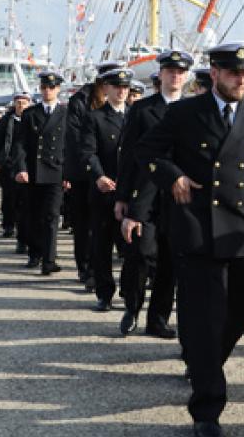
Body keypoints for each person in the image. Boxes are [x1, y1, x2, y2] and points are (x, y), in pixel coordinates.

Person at [133, 41, 244, 437]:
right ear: (215, 73)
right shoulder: (185, 112)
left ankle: (204, 361)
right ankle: (207, 406)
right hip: (198, 227)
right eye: (233, 73)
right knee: (204, 317)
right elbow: (146, 151)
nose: (241, 79)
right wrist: (172, 176)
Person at [118, 49, 193, 339]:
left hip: (178, 196)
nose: (175, 76)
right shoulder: (142, 109)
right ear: (160, 75)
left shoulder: (192, 109)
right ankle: (132, 307)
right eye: (170, 71)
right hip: (145, 193)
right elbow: (128, 156)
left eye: (180, 72)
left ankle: (158, 318)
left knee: (170, 261)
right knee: (141, 253)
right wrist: (122, 197)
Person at [79, 68, 132, 312]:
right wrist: (99, 175)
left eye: (125, 87)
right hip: (104, 191)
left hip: (130, 191)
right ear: (107, 89)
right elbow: (88, 152)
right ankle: (104, 293)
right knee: (102, 246)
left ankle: (129, 292)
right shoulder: (94, 117)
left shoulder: (135, 116)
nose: (121, 91)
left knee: (132, 248)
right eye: (116, 87)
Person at [10, 71, 69, 275]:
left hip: (56, 172)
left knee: (52, 216)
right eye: (44, 87)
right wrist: (21, 168)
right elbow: (20, 144)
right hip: (33, 172)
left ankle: (49, 260)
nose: (47, 91)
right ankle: (35, 253)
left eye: (51, 87)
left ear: (58, 89)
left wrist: (68, 174)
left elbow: (71, 146)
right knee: (33, 215)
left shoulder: (66, 113)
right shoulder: (30, 114)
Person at [0, 96, 29, 239]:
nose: (21, 106)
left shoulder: (32, 119)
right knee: (9, 198)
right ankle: (8, 225)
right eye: (18, 103)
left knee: (24, 199)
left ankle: (22, 228)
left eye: (24, 103)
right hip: (9, 164)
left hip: (27, 165)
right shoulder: (6, 120)